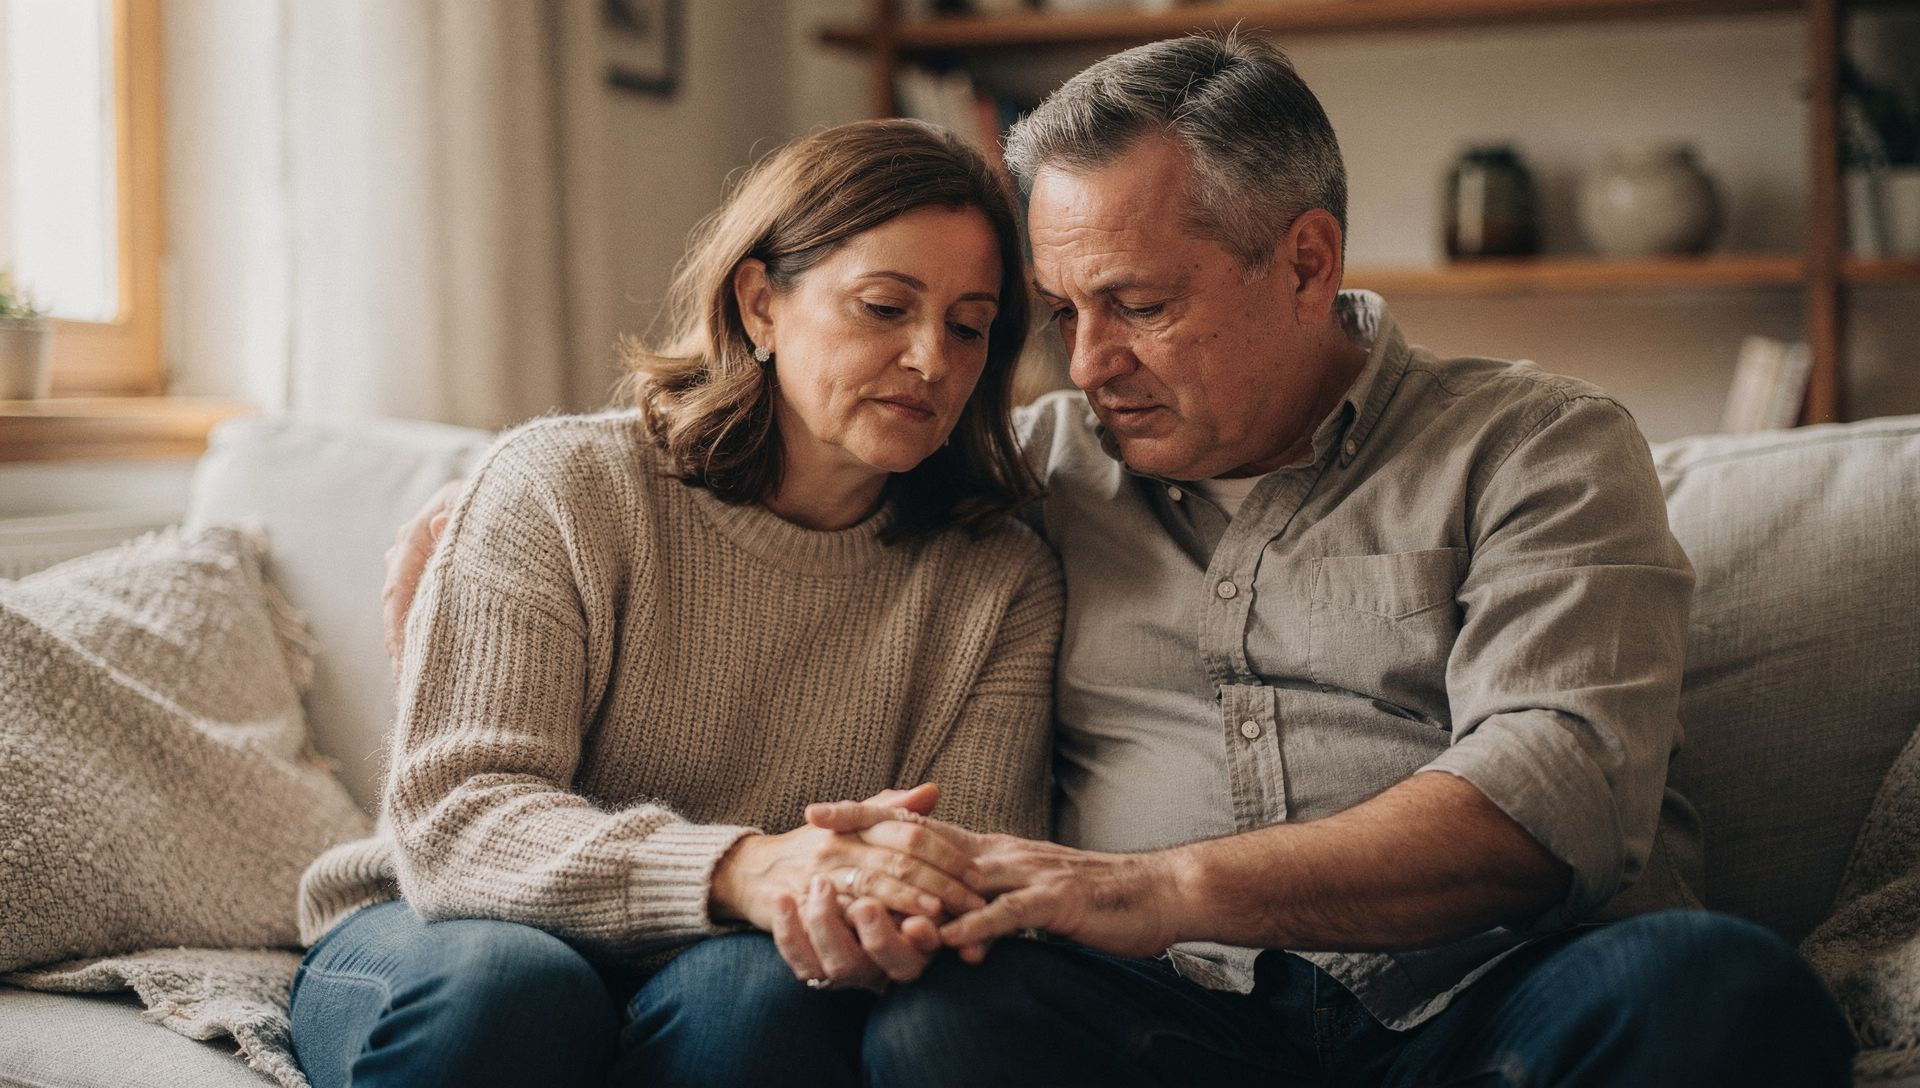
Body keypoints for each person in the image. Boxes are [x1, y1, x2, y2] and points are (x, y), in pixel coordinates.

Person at [386, 33, 1856, 1088]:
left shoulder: (1538, 449)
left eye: (1138, 305)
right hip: (1168, 1031)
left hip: (1487, 1010)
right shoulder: (1034, 470)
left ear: (1303, 261)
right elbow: (768, 466)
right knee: (934, 1032)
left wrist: (1167, 888)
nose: (1083, 366)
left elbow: (1559, 796)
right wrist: (483, 505)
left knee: (1721, 990)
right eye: (1054, 313)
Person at [287, 119, 1064, 1088]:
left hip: (740, 963)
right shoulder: (561, 486)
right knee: (517, 984)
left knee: (766, 998)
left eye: (969, 324)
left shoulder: (1000, 579)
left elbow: (957, 873)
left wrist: (891, 913)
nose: (930, 358)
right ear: (760, 303)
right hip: (451, 932)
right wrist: (741, 866)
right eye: (882, 306)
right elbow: (458, 820)